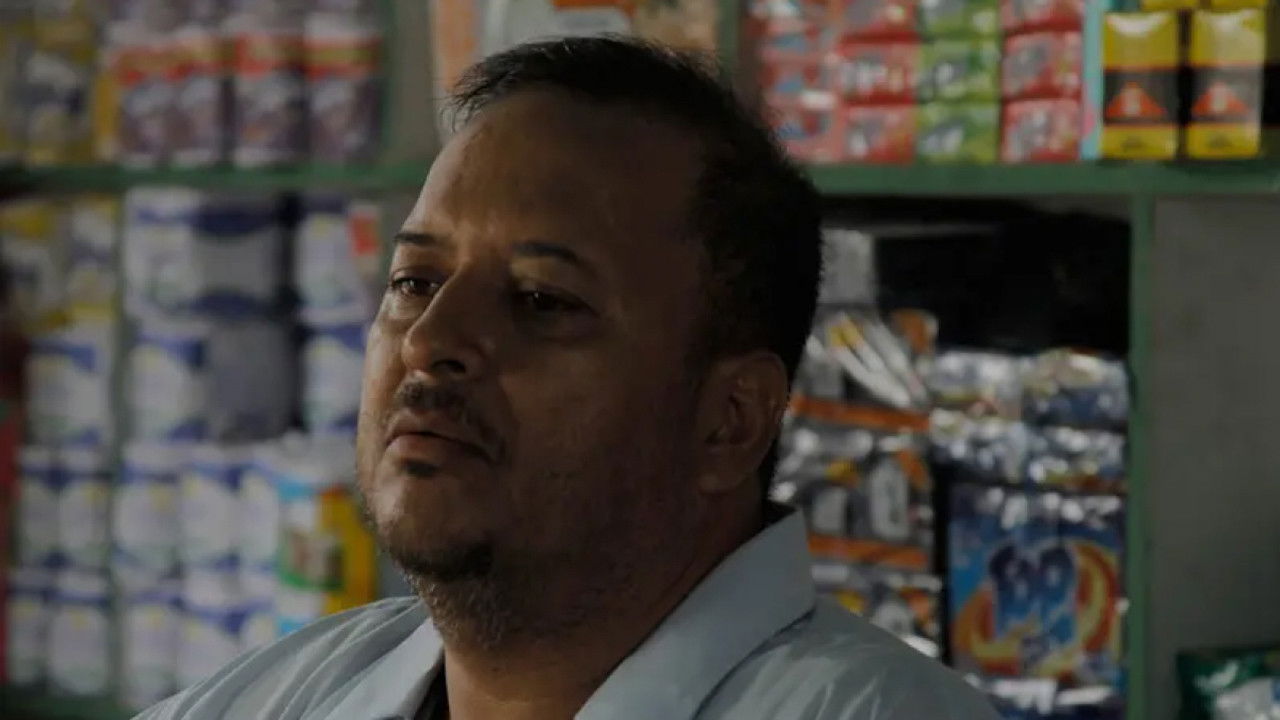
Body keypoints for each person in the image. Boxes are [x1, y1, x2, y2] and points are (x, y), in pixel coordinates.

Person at [136, 36, 999, 720]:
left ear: (730, 419)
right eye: (414, 283)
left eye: (542, 300)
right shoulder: (272, 699)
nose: (431, 342)